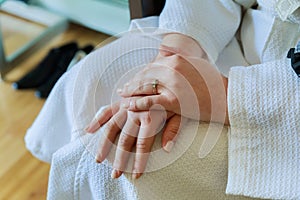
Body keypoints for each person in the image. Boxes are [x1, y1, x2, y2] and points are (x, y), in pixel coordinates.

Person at [25, 0, 300, 199]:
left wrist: (226, 95)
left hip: (283, 102)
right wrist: (173, 57)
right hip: (238, 36)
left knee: (119, 158)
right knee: (89, 82)